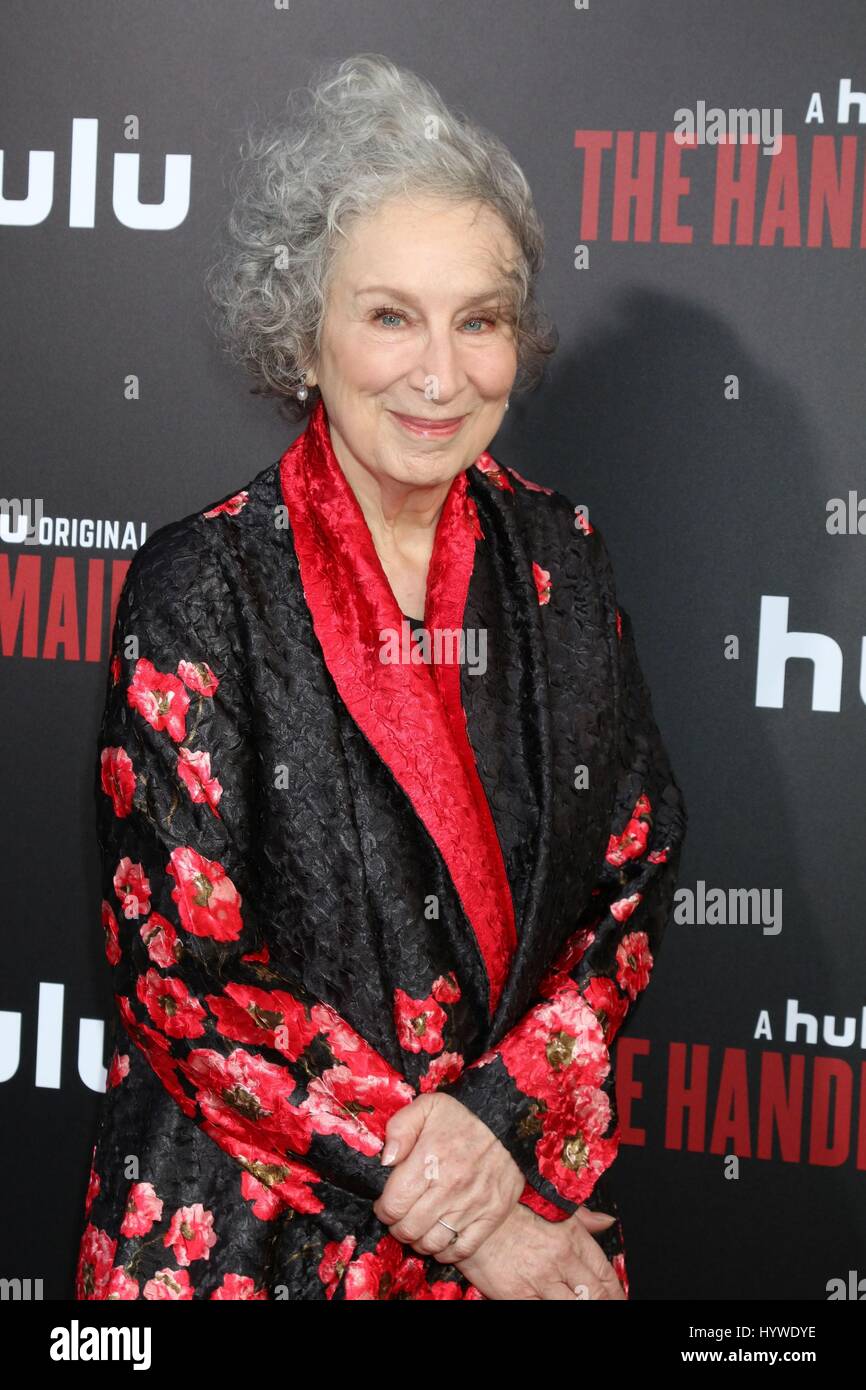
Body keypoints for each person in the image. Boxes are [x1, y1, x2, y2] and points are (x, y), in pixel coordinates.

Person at [75, 52, 687, 1301]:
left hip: (517, 1198)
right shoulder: (199, 587)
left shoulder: (559, 557)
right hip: (251, 1238)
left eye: (479, 319)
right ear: (306, 332)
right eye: (389, 314)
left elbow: (632, 867)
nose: (439, 373)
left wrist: (494, 1123)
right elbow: (179, 979)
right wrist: (477, 1226)